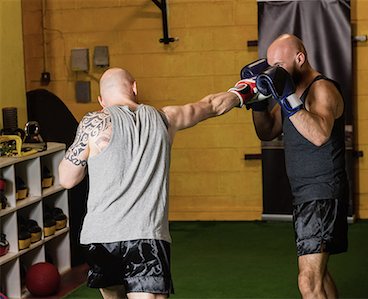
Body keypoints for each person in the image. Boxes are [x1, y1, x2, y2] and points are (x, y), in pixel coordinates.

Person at [58, 67, 258, 299]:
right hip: (145, 237)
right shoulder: (166, 118)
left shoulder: (93, 123)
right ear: (134, 87)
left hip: (100, 239)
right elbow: (211, 105)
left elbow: (67, 179)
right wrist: (247, 90)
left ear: (101, 100)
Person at [247, 34, 349, 298]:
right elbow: (266, 131)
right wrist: (257, 101)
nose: (272, 72)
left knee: (308, 281)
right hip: (305, 194)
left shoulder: (322, 89)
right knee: (319, 274)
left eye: (278, 66)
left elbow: (319, 134)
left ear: (300, 58)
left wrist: (288, 99)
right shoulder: (291, 92)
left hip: (322, 192)